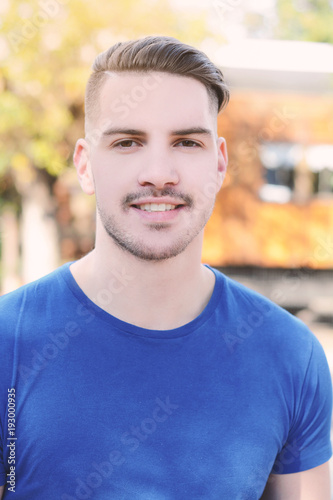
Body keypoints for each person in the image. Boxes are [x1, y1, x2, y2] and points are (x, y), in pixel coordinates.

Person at [0, 35, 332, 500]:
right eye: (128, 141)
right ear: (85, 165)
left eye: (186, 142)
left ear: (219, 163)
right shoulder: (10, 342)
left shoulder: (292, 357)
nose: (159, 172)